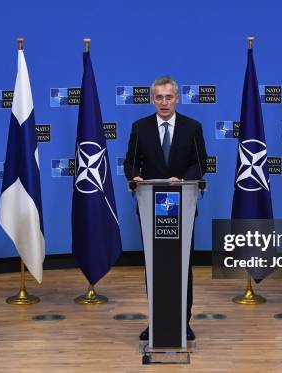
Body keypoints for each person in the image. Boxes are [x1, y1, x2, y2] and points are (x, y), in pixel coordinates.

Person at [124, 76, 207, 341]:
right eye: (158, 97)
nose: (164, 102)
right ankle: (156, 322)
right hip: (151, 208)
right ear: (152, 99)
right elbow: (131, 162)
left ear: (177, 98)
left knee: (183, 265)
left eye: (168, 97)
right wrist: (135, 176)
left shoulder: (192, 127)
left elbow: (200, 163)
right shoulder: (140, 127)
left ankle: (184, 322)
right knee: (155, 266)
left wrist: (183, 180)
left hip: (184, 204)